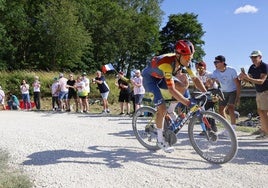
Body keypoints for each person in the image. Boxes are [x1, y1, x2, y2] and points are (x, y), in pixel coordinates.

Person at [142, 39, 207, 153]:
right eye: (187, 58)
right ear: (178, 55)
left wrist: (206, 93)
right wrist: (187, 102)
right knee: (161, 108)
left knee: (183, 85)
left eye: (190, 57)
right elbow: (171, 90)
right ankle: (160, 140)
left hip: (160, 77)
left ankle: (170, 110)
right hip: (150, 80)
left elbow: (195, 79)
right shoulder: (167, 63)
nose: (189, 60)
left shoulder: (185, 62)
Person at [239, 50, 268, 140]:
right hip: (259, 92)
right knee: (260, 111)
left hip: (265, 91)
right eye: (252, 57)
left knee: (264, 112)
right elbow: (249, 80)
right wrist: (243, 78)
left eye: (255, 57)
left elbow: (261, 81)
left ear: (260, 57)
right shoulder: (252, 67)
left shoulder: (264, 66)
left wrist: (248, 78)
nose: (253, 59)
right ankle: (264, 131)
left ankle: (265, 133)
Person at [211, 55, 241, 135]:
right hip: (223, 92)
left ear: (223, 62)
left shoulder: (231, 70)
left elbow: (238, 84)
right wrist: (209, 83)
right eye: (214, 62)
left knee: (231, 108)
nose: (215, 64)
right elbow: (211, 82)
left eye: (216, 62)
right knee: (221, 110)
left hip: (233, 91)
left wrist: (238, 97)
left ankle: (233, 128)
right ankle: (228, 128)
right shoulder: (215, 72)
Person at [196, 61, 219, 135]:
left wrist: (206, 84)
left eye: (201, 68)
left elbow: (210, 84)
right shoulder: (197, 75)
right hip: (204, 92)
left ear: (204, 68)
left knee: (209, 110)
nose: (199, 70)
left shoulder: (209, 74)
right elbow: (197, 85)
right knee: (203, 110)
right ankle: (206, 128)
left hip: (212, 91)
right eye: (198, 68)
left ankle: (212, 127)